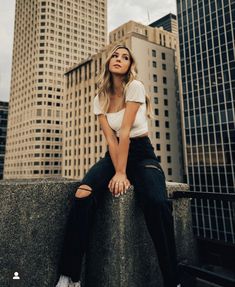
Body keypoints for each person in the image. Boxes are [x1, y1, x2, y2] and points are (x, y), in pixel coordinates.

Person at [56, 44, 180, 287]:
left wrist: (123, 173)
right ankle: (70, 276)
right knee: (83, 193)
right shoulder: (99, 98)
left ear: (129, 65)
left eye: (125, 57)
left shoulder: (134, 86)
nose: (119, 59)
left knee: (156, 203)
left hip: (142, 154)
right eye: (115, 55)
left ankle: (173, 280)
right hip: (114, 153)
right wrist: (117, 168)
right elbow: (111, 138)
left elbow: (125, 130)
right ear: (108, 62)